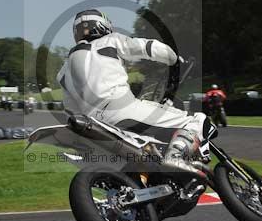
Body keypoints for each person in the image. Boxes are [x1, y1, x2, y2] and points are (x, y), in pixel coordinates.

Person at [57, 9, 210, 170]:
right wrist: (173, 57)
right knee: (196, 120)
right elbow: (148, 47)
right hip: (123, 110)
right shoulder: (111, 40)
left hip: (93, 125)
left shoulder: (63, 72)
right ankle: (175, 156)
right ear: (103, 25)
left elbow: (70, 110)